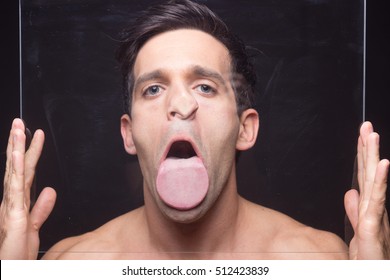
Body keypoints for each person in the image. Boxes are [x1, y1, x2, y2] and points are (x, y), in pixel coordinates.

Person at [1, 0, 389, 260]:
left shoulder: (319, 260)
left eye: (205, 86)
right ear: (128, 133)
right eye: (154, 89)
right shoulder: (73, 265)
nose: (181, 105)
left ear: (245, 128)